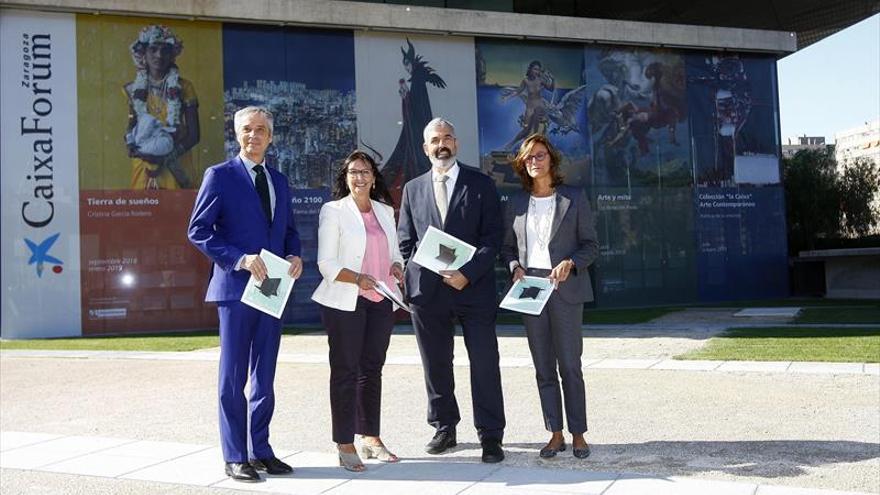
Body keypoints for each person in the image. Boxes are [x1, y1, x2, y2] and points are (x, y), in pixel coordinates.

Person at [187, 106, 302, 482]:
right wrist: (239, 259)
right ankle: (236, 455)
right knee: (233, 376)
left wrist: (295, 255)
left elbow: (288, 230)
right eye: (247, 130)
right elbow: (199, 230)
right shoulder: (219, 176)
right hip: (236, 289)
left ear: (271, 136)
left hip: (272, 290)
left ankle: (262, 450)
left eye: (261, 130)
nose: (254, 136)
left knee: (264, 375)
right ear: (237, 135)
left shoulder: (279, 181)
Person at [397, 117, 506, 463]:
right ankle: (444, 427)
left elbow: (493, 238)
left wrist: (467, 273)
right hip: (429, 293)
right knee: (436, 364)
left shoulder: (481, 184)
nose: (441, 144)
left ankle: (491, 435)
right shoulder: (413, 189)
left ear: (456, 144)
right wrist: (431, 267)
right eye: (434, 139)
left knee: (485, 363)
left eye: (447, 138)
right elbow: (406, 242)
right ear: (425, 148)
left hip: (473, 290)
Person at [500, 133, 599, 459]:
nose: (534, 161)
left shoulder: (573, 198)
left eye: (539, 155)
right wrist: (515, 266)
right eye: (528, 157)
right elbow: (509, 249)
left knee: (570, 365)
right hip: (531, 288)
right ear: (522, 164)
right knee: (543, 366)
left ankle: (579, 434)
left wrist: (571, 263)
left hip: (564, 288)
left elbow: (591, 246)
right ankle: (555, 433)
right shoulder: (516, 203)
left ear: (551, 160)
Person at [311, 150, 405, 472]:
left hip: (381, 300)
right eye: (353, 172)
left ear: (374, 177)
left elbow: (394, 253)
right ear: (346, 177)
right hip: (345, 301)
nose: (359, 177)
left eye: (365, 172)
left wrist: (397, 266)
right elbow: (326, 265)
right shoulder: (333, 211)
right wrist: (358, 278)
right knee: (345, 371)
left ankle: (371, 437)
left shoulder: (384, 210)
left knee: (372, 370)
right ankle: (345, 442)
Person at [124, 24, 200, 190]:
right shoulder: (133, 88)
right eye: (153, 49)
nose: (159, 55)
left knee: (177, 213)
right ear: (143, 53)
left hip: (175, 161)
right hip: (144, 163)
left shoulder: (184, 87)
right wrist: (130, 144)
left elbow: (194, 135)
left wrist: (166, 157)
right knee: (143, 211)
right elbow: (132, 124)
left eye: (165, 50)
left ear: (172, 55)